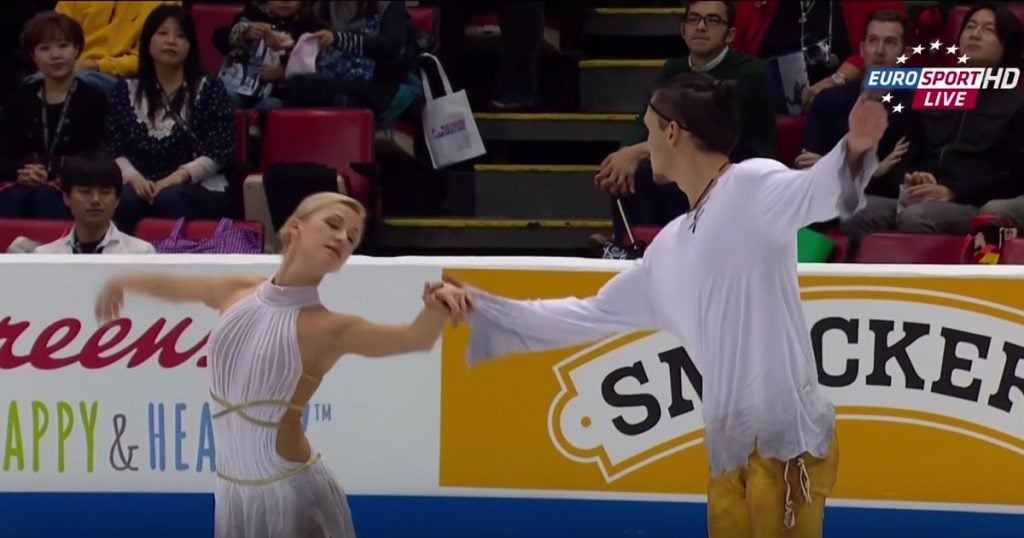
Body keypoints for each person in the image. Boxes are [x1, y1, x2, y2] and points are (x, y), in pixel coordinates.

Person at [453, 72, 887, 537]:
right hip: (729, 454)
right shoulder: (668, 248)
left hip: (787, 446)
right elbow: (587, 314)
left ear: (673, 132)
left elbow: (813, 192)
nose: (646, 142)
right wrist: (481, 308)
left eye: (648, 130)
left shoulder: (750, 184)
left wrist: (855, 147)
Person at [93, 192, 470, 538]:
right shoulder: (236, 290)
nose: (342, 239)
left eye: (352, 238)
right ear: (295, 226)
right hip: (232, 492)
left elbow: (413, 338)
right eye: (334, 224)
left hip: (292, 491)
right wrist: (124, 280)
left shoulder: (330, 327)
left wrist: (438, 303)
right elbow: (176, 288)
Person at [105, 5, 234, 234]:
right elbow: (112, 146)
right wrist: (134, 178)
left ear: (190, 45)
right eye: (163, 33)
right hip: (138, 183)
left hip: (196, 186)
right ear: (148, 41)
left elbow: (218, 151)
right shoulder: (124, 90)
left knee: (169, 198)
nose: (171, 41)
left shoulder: (209, 88)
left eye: (180, 35)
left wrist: (174, 179)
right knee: (121, 200)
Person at [0, 10, 107, 219]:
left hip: (72, 182)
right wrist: (21, 172)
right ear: (33, 56)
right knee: (13, 198)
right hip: (22, 182)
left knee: (46, 197)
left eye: (63, 46)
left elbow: (96, 154)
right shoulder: (19, 98)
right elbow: (4, 154)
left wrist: (53, 175)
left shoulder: (94, 98)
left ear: (77, 49)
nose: (55, 55)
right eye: (45, 48)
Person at [34, 152, 156, 254]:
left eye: (105, 192)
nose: (95, 200)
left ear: (117, 199)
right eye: (85, 192)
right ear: (66, 197)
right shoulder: (45, 255)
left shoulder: (140, 253)